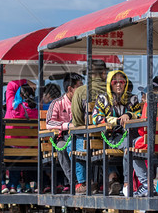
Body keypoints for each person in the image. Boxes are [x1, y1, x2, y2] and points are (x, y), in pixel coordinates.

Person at [91, 69, 142, 195]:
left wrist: (128, 115)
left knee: (138, 144)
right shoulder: (103, 99)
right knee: (129, 144)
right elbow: (96, 118)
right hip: (111, 137)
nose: (118, 84)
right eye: (115, 82)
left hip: (131, 135)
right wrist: (117, 121)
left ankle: (143, 183)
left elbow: (140, 114)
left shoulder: (133, 98)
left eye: (122, 81)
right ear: (110, 84)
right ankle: (127, 182)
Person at [71, 59, 110, 193]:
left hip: (88, 140)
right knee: (107, 148)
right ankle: (112, 177)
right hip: (111, 139)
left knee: (73, 143)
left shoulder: (80, 91)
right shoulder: (112, 91)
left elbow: (76, 121)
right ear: (104, 74)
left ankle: (85, 182)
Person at [45, 73, 83, 190]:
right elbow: (49, 123)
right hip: (64, 136)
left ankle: (90, 181)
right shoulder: (57, 103)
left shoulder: (83, 102)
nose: (82, 89)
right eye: (79, 86)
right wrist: (67, 125)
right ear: (70, 89)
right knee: (61, 147)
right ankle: (74, 182)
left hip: (81, 135)